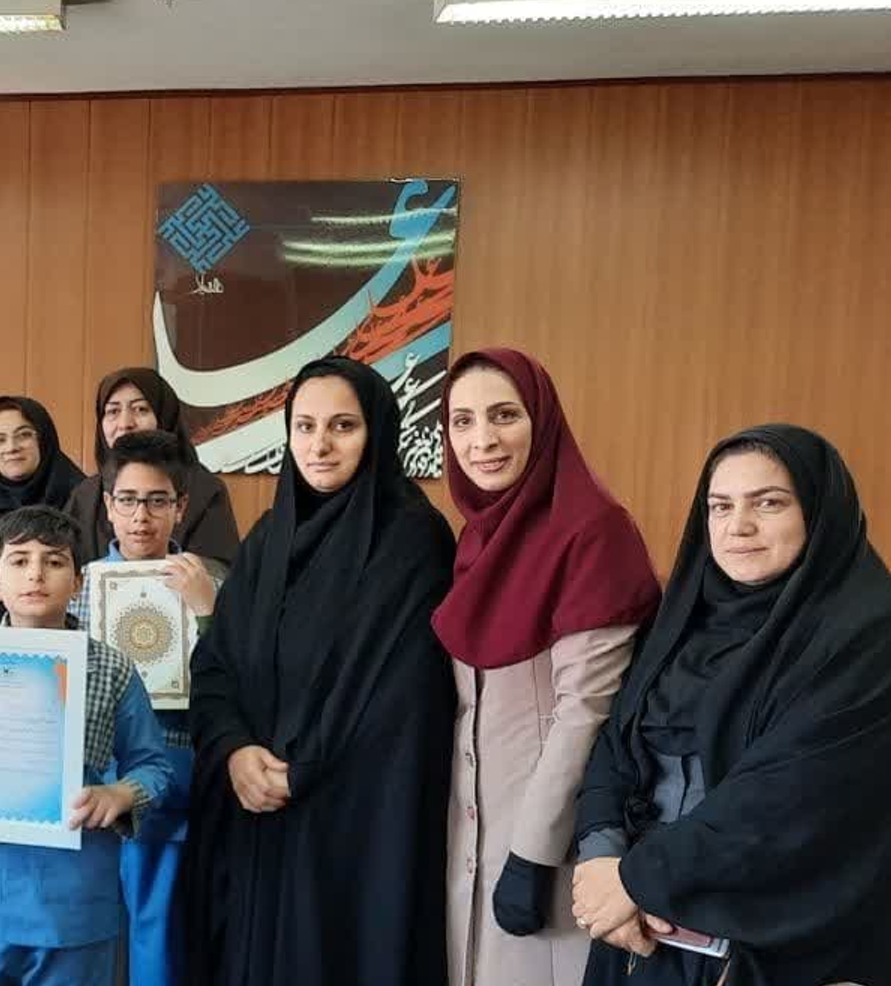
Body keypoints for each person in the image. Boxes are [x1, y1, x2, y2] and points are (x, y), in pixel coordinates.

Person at [570, 426, 891, 986]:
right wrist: (599, 855)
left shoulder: (876, 633)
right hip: (639, 930)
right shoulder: (685, 615)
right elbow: (616, 744)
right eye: (721, 506)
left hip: (767, 948)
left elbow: (787, 802)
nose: (738, 526)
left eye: (768, 503)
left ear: (818, 510)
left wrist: (633, 881)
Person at [185, 357, 457, 986]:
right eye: (304, 426)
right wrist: (233, 751)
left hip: (352, 826)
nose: (319, 445)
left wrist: (303, 771)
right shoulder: (268, 539)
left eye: (343, 426)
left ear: (377, 432)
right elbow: (218, 663)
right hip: (257, 817)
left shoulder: (412, 540)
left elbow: (406, 699)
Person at [433, 348, 662, 986]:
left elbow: (585, 709)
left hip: (550, 844)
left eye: (504, 415)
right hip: (473, 833)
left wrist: (531, 853)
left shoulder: (593, 530)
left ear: (542, 418)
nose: (482, 440)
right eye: (462, 421)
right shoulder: (477, 534)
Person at [0, 505, 172, 985]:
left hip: (72, 907)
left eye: (54, 560)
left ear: (78, 582)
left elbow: (153, 765)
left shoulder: (113, 669)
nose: (35, 574)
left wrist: (119, 794)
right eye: (19, 560)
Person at [69, 429, 220, 986]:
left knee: (157, 935)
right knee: (90, 932)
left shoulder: (209, 582)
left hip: (174, 782)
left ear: (181, 507)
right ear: (108, 505)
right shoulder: (78, 583)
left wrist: (207, 613)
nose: (141, 517)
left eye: (158, 501)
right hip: (95, 781)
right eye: (128, 500)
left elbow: (235, 680)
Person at [64, 367, 240, 567]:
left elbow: (220, 571)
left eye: (140, 409)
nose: (125, 423)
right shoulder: (85, 495)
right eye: (113, 411)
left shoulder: (205, 490)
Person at [0, 395, 86, 621]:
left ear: (44, 439)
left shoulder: (82, 499)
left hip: (69, 636)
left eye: (23, 435)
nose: (11, 448)